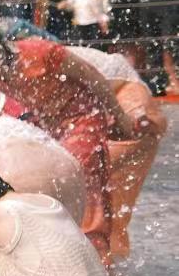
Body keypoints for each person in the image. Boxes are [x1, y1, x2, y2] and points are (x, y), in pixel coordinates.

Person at [0, 21, 123, 261]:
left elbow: (92, 77)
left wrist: (119, 117)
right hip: (46, 130)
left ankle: (95, 257)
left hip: (81, 118)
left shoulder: (41, 52)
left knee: (74, 173)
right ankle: (55, 254)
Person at [67, 45, 166, 261]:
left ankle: (99, 269)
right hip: (131, 109)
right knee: (110, 212)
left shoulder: (37, 59)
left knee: (88, 199)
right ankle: (111, 267)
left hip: (131, 107)